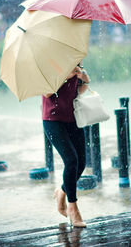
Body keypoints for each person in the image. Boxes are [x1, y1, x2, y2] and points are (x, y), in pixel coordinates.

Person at [42, 64, 90, 227]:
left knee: (81, 163)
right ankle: (73, 208)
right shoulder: (46, 64)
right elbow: (47, 92)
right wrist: (66, 75)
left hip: (73, 118)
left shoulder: (75, 62)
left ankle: (62, 190)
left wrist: (84, 79)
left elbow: (79, 92)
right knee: (71, 161)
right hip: (52, 120)